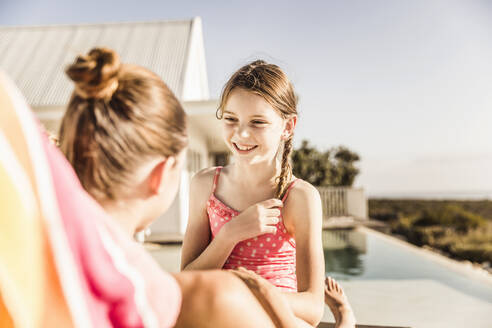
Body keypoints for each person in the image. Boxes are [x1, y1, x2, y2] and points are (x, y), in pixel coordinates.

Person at [181, 60, 356, 327]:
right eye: (230, 119)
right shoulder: (206, 185)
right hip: (221, 313)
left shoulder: (299, 198)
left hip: (277, 318)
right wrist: (231, 233)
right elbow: (187, 280)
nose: (241, 133)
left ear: (287, 126)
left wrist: (254, 293)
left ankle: (344, 318)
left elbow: (312, 306)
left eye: (258, 122)